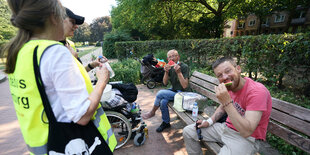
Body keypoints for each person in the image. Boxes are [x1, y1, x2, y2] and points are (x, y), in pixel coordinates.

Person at [3, 0, 116, 154]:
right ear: (53, 17)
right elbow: (82, 116)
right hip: (70, 145)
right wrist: (102, 81)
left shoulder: (20, 51)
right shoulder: (54, 52)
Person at [183, 57, 272, 155]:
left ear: (238, 69)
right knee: (188, 131)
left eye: (228, 71)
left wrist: (227, 102)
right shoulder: (230, 87)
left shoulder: (257, 92)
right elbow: (222, 107)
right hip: (226, 128)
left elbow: (247, 131)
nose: (225, 77)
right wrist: (209, 122)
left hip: (246, 139)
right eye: (220, 75)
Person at [142, 49, 190, 132]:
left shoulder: (184, 67)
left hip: (184, 94)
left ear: (178, 57)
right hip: (174, 91)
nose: (172, 58)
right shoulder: (170, 67)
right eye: (170, 57)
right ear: (168, 59)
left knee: (160, 93)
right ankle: (166, 122)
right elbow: (164, 83)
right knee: (163, 102)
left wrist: (179, 73)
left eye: (174, 56)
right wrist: (166, 72)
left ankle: (152, 112)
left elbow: (185, 86)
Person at [60, 7, 100, 72]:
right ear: (58, 21)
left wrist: (92, 65)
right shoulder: (55, 50)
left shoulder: (67, 44)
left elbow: (80, 72)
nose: (76, 26)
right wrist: (102, 80)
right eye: (72, 22)